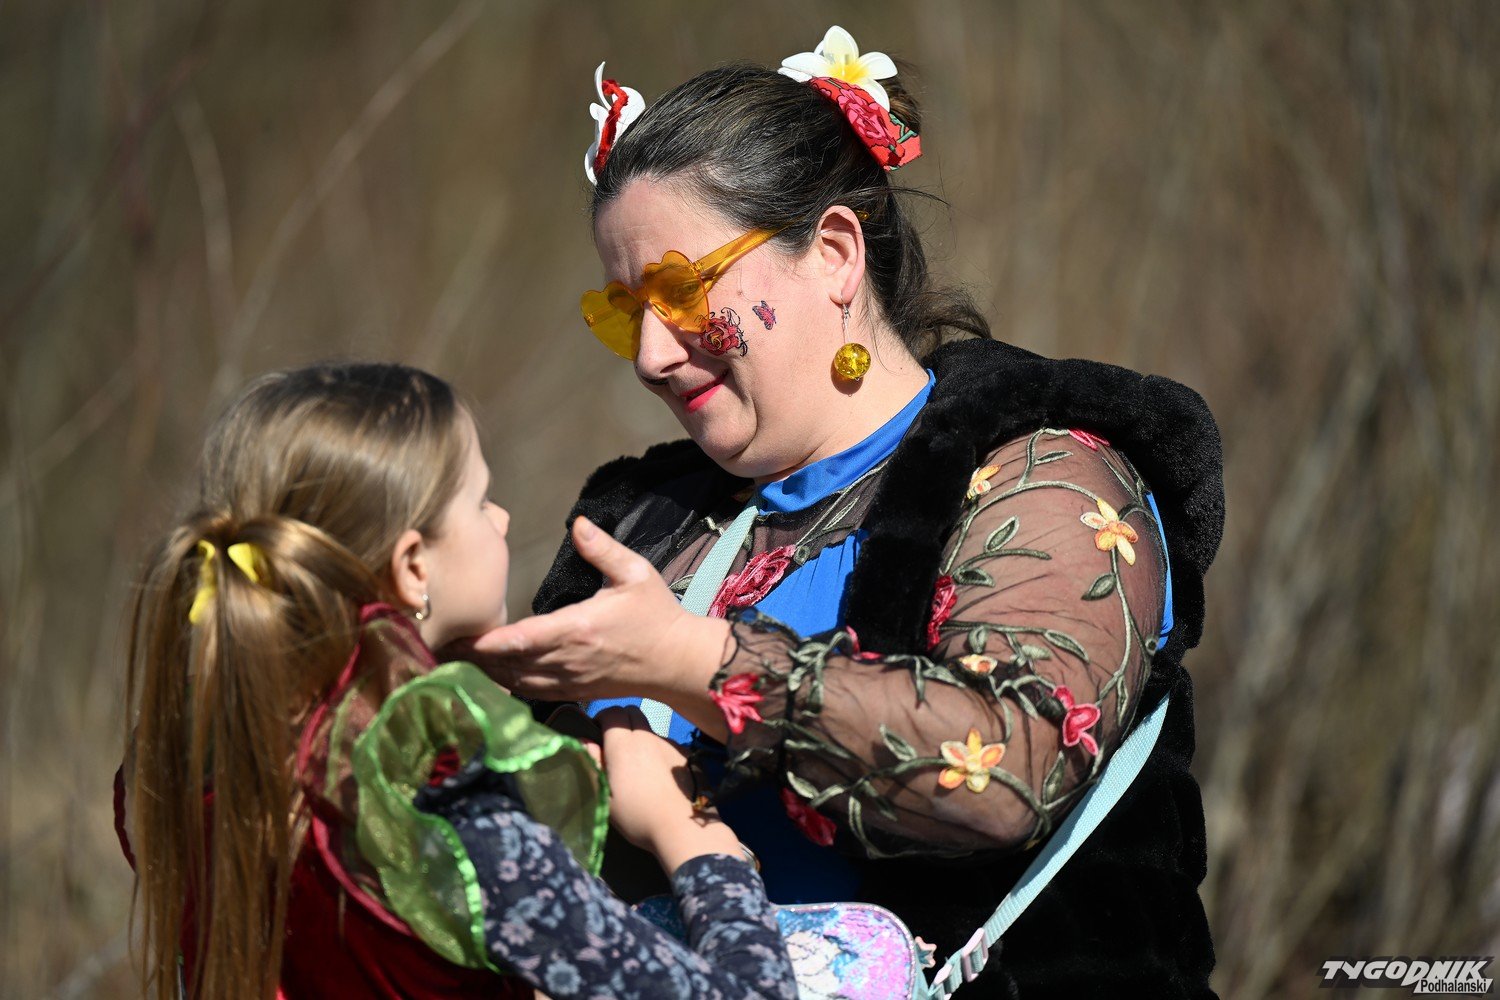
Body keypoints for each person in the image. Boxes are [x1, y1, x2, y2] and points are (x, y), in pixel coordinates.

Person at [472, 26, 1224, 999]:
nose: (651, 354)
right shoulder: (657, 527)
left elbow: (1003, 769)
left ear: (833, 254)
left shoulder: (1048, 478)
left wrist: (695, 663)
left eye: (681, 290)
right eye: (624, 311)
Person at [114, 363, 796, 1000]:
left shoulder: (205, 762)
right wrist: (692, 836)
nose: (502, 519)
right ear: (414, 566)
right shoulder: (444, 804)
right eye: (478, 501)